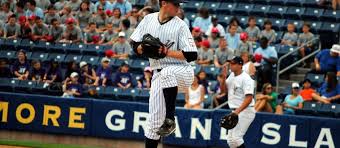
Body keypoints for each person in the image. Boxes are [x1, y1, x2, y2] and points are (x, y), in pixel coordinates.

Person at [130, 0, 197, 146]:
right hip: (158, 75)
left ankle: (170, 119)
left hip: (183, 72)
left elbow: (192, 55)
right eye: (176, 4)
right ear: (164, 3)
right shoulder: (148, 20)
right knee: (153, 124)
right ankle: (163, 124)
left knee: (167, 72)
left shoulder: (180, 24)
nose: (179, 7)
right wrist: (142, 48)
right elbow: (134, 44)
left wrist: (166, 52)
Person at [220, 56, 255, 148]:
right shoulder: (231, 76)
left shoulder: (246, 79)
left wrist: (236, 112)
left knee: (236, 139)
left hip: (246, 110)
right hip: (236, 110)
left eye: (233, 63)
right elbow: (223, 91)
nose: (230, 65)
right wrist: (223, 77)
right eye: (230, 63)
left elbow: (249, 98)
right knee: (231, 141)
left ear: (240, 65)